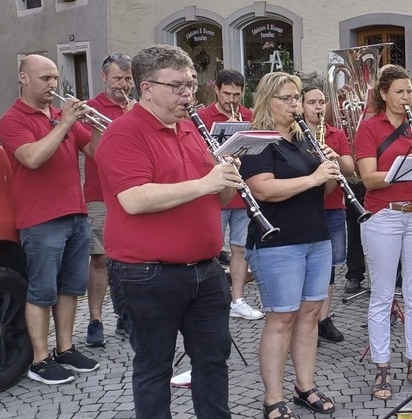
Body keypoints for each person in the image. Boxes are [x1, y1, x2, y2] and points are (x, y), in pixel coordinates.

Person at [95, 44, 238, 418]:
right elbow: (135, 199)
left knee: (212, 362)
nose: (188, 95)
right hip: (146, 275)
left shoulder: (192, 128)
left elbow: (218, 196)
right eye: (177, 86)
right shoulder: (124, 134)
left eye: (191, 85)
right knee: (154, 367)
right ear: (147, 88)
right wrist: (206, 182)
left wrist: (227, 176)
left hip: (206, 271)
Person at [239, 72, 338, 418]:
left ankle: (305, 386)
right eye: (288, 98)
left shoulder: (303, 138)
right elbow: (263, 189)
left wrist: (329, 169)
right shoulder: (256, 142)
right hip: (277, 242)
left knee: (310, 315)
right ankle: (272, 398)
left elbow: (323, 191)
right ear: (268, 101)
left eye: (297, 98)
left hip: (316, 237)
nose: (295, 105)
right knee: (281, 318)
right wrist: (313, 176)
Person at [0, 54, 101, 385]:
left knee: (70, 288)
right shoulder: (13, 120)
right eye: (45, 78)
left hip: (75, 212)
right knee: (42, 291)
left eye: (55, 78)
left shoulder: (59, 114)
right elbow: (32, 158)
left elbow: (95, 153)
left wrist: (100, 128)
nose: (53, 85)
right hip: (41, 218)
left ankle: (66, 349)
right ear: (24, 79)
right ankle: (40, 360)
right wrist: (66, 124)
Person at [354, 65, 412, 400]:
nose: (407, 98)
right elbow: (368, 178)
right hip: (383, 215)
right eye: (400, 92)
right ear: (384, 93)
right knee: (383, 294)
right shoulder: (369, 127)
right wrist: (404, 167)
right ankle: (382, 367)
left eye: (409, 91)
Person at [198, 69, 263, 321]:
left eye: (237, 94)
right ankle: (209, 298)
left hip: (243, 192)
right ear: (217, 90)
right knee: (210, 247)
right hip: (215, 193)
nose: (232, 99)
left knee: (240, 249)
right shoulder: (203, 117)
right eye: (227, 93)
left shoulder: (250, 116)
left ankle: (237, 299)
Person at [82, 53, 136, 346]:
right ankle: (95, 319)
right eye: (117, 78)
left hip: (136, 191)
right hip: (101, 194)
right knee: (101, 257)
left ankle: (126, 315)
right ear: (103, 77)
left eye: (128, 79)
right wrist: (125, 122)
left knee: (131, 257)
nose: (123, 85)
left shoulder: (139, 107)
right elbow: (96, 153)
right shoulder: (91, 109)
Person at [301, 85, 354, 343]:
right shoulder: (294, 135)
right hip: (303, 207)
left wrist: (336, 158)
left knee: (329, 267)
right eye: (312, 102)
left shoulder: (335, 134)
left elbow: (351, 168)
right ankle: (303, 323)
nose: (318, 107)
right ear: (301, 105)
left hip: (333, 207)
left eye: (321, 102)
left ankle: (323, 319)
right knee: (303, 266)